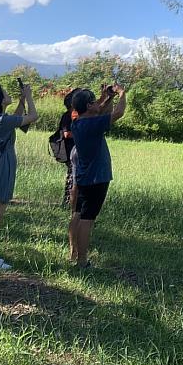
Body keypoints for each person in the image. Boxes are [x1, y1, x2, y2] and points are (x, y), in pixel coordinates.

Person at [0, 82, 39, 270]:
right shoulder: (2, 121)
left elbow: (16, 118)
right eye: (4, 93)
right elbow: (33, 117)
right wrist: (28, 96)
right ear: (0, 100)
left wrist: (21, 101)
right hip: (4, 167)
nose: (7, 93)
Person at [70, 84, 127, 268]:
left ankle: (75, 254)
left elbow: (100, 111)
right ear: (88, 106)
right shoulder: (91, 124)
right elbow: (117, 113)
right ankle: (82, 260)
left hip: (85, 176)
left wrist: (107, 97)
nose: (97, 103)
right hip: (97, 178)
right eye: (93, 101)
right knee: (87, 219)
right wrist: (121, 94)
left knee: (79, 215)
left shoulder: (78, 122)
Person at [58, 88, 81, 207]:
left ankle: (70, 201)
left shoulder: (75, 115)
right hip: (70, 150)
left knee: (73, 175)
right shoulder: (67, 116)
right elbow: (66, 134)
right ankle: (69, 201)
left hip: (74, 150)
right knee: (72, 175)